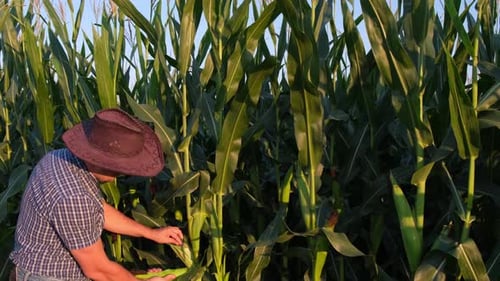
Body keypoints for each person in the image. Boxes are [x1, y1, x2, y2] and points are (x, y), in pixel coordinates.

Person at [9, 108, 184, 281]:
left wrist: (150, 233)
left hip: (29, 268)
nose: (124, 172)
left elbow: (97, 208)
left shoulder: (59, 158)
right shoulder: (75, 198)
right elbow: (99, 271)